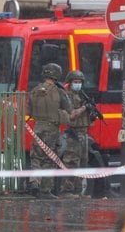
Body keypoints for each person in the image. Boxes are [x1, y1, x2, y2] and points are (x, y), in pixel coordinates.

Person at [27, 63, 87, 199]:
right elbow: (72, 113)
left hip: (37, 127)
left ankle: (34, 181)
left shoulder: (35, 90)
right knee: (49, 159)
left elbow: (29, 111)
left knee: (36, 157)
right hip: (51, 129)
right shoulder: (60, 92)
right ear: (57, 75)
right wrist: (84, 108)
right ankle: (45, 190)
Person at [59, 70, 94, 199]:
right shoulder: (68, 96)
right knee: (71, 162)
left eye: (79, 82)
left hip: (84, 132)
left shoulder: (82, 96)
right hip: (74, 133)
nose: (78, 84)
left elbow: (87, 117)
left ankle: (79, 191)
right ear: (70, 82)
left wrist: (91, 111)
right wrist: (85, 107)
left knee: (83, 162)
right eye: (75, 82)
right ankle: (66, 190)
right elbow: (72, 115)